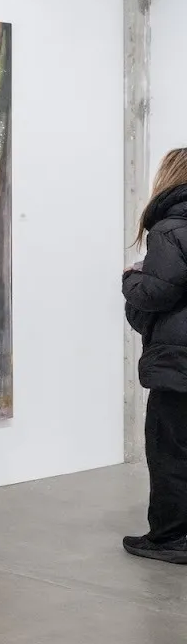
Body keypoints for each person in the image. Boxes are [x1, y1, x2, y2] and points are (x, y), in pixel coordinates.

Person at [122, 147, 187, 564]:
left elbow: (159, 290)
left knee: (170, 451)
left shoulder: (172, 227)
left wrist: (131, 280)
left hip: (179, 364)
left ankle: (170, 538)